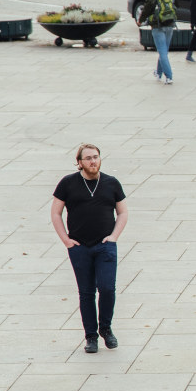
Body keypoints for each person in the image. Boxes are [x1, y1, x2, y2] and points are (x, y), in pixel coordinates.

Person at [50, 144, 128, 354]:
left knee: (107, 288)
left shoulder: (111, 183)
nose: (93, 161)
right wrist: (66, 240)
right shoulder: (68, 183)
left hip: (105, 246)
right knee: (86, 293)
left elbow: (122, 212)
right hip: (80, 246)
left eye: (96, 157)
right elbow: (56, 213)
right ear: (80, 162)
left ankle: (106, 329)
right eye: (88, 158)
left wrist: (113, 237)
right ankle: (91, 336)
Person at [138, 0, 178, 84]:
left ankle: (169, 76)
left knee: (162, 52)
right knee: (164, 51)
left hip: (158, 25)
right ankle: (158, 73)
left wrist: (140, 20)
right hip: (170, 24)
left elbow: (147, 9)